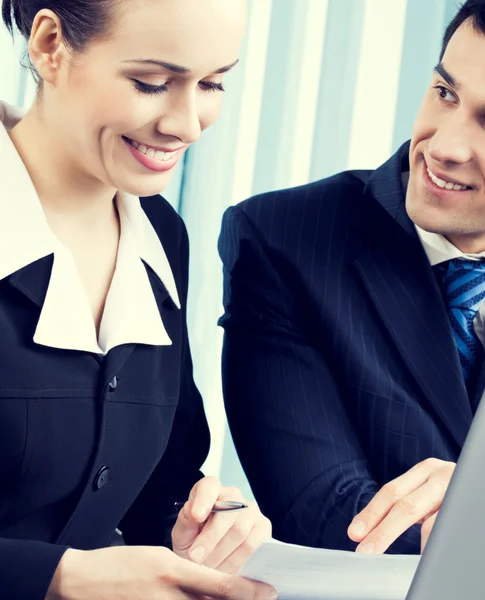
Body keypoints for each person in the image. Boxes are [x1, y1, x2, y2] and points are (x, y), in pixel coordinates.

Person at [218, 0, 485, 558]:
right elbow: (322, 511)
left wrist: (477, 505)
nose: (442, 147)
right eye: (445, 93)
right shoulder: (283, 240)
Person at [0, 1, 277, 599]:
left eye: (212, 83)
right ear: (49, 45)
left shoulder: (160, 233)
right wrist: (57, 578)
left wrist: (202, 522)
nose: (187, 123)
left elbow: (159, 480)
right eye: (152, 83)